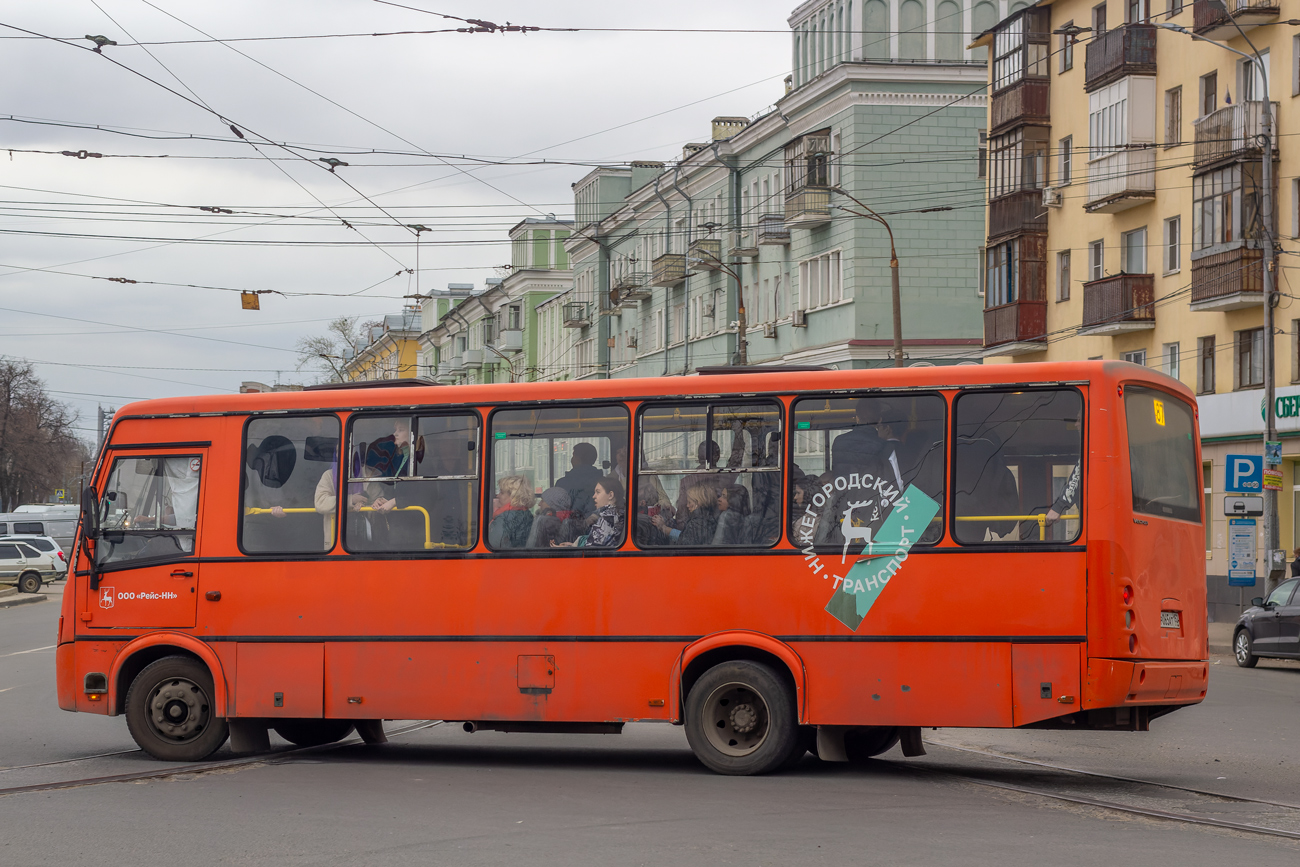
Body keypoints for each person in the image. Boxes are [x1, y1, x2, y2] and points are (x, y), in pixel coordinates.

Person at [553, 477, 624, 548]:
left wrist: (566, 549)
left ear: (610, 495)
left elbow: (592, 550)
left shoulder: (609, 517)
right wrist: (574, 545)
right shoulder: (615, 513)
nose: (594, 496)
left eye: (598, 492)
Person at [557, 442, 604, 517]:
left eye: (573, 456)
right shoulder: (604, 482)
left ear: (577, 459)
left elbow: (558, 511)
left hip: (570, 525)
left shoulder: (562, 483)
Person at [488, 475, 534, 549]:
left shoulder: (504, 519)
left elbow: (494, 547)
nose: (498, 495)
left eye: (502, 493)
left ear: (514, 496)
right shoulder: (528, 515)